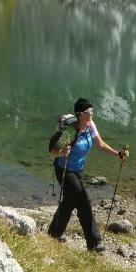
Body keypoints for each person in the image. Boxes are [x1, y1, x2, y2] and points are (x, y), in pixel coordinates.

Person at [48, 97, 128, 253]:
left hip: (78, 170)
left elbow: (100, 144)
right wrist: (62, 152)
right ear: (79, 114)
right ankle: (94, 242)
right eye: (88, 111)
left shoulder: (90, 126)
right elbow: (52, 152)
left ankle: (55, 232)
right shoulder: (71, 131)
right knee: (83, 200)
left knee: (70, 201)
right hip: (64, 169)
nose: (91, 113)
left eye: (92, 110)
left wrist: (117, 154)